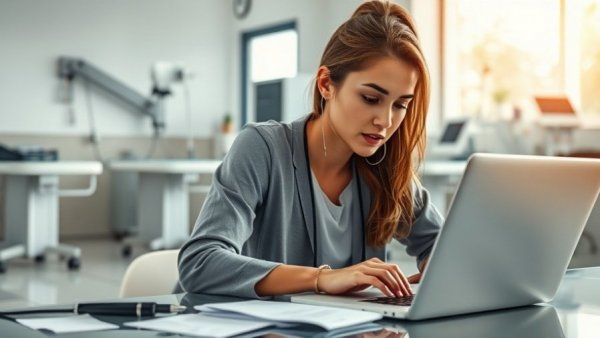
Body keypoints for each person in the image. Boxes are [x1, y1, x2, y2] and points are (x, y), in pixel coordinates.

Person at [178, 0, 443, 299]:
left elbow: (444, 247)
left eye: (401, 105)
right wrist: (322, 278)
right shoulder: (262, 149)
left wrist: (441, 267)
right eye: (371, 98)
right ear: (326, 84)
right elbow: (200, 262)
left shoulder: (385, 169)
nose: (385, 121)